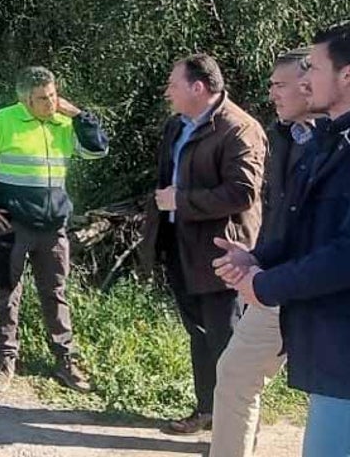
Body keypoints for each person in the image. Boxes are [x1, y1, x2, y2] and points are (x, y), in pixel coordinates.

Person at [215, 24, 350, 456]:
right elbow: (300, 228)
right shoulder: (327, 143)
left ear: (347, 76)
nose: (305, 80)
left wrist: (265, 284)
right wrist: (256, 259)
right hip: (327, 340)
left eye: (314, 68)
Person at [0, 66, 109, 395]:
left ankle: (65, 360)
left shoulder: (64, 123)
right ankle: (5, 361)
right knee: (7, 293)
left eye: (53, 95)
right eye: (42, 98)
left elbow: (98, 150)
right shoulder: (1, 122)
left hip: (53, 228)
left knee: (56, 294)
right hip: (10, 227)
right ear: (25, 99)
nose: (51, 103)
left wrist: (80, 115)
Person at [141, 54, 266, 436]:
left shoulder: (238, 129)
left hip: (222, 254)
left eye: (173, 85)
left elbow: (242, 193)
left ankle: (239, 431)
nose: (168, 92)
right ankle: (208, 412)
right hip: (181, 248)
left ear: (198, 87)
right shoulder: (176, 125)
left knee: (228, 342)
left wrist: (182, 201)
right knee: (200, 334)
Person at [209, 49, 317, 457]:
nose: (271, 92)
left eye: (280, 84)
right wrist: (257, 259)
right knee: (235, 372)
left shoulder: (338, 145)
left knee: (329, 399)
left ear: (312, 85)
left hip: (326, 291)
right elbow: (286, 219)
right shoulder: (284, 135)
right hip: (276, 286)